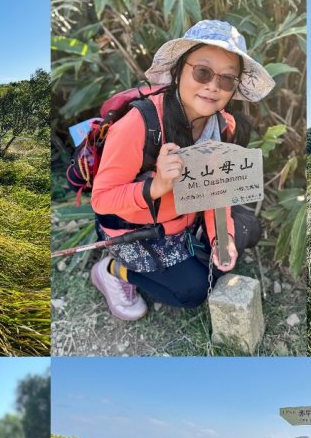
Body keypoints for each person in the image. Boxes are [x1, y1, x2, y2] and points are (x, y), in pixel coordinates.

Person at [88, 20, 274, 320]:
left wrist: (222, 239)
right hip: (138, 229)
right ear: (178, 71)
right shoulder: (138, 125)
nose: (213, 86)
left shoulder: (224, 127)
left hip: (186, 218)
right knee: (194, 291)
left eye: (227, 79)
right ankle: (112, 270)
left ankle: (198, 246)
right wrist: (156, 186)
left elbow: (215, 191)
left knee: (245, 231)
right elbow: (102, 200)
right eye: (202, 72)